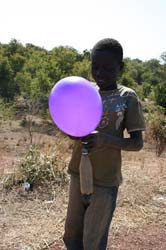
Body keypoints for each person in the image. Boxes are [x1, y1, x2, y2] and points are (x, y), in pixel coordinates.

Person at [63, 38, 146, 250]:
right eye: (95, 67)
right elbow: (73, 127)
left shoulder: (127, 98)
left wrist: (104, 139)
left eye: (108, 68)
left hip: (105, 181)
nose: (99, 73)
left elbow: (137, 143)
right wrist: (72, 132)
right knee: (72, 235)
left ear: (121, 68)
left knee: (93, 240)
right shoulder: (84, 91)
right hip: (77, 174)